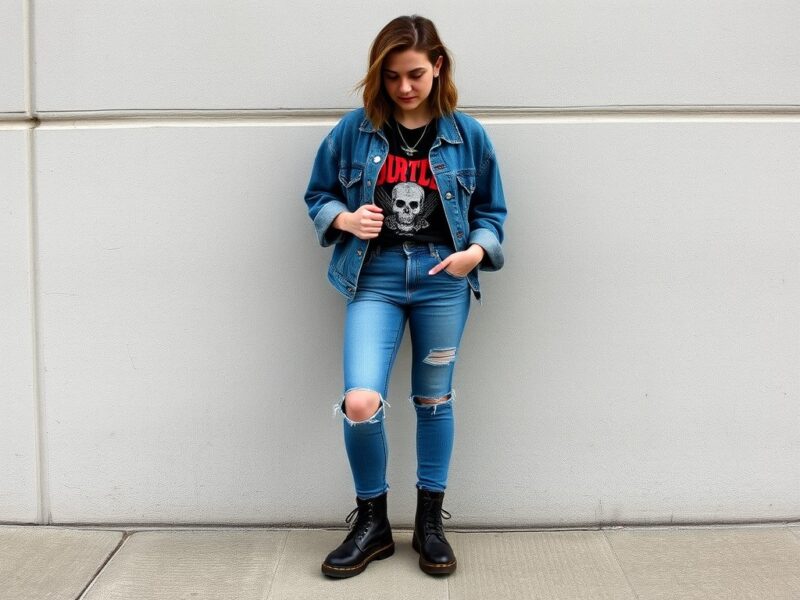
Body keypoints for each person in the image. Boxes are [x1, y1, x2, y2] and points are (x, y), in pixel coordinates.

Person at [304, 14, 507, 578]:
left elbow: (493, 213)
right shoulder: (355, 130)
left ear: (437, 65)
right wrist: (345, 218)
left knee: (433, 400)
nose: (404, 87)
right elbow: (317, 193)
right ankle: (371, 523)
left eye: (415, 73)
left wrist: (476, 252)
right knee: (361, 401)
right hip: (375, 278)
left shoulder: (467, 135)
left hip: (445, 279)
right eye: (391, 76)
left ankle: (429, 523)